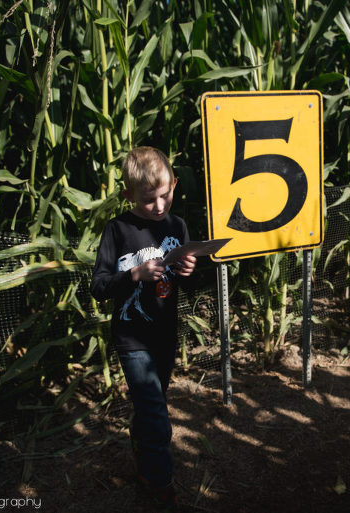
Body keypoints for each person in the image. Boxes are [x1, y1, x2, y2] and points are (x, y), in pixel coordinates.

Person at [90, 146, 196, 510]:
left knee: (150, 406)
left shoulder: (177, 226)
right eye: (149, 199)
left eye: (165, 194)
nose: (159, 205)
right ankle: (160, 485)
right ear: (128, 195)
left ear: (174, 185)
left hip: (165, 335)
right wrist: (133, 274)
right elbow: (99, 287)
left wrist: (189, 272)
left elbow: (188, 285)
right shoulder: (118, 230)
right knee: (156, 415)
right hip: (132, 337)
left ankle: (141, 453)